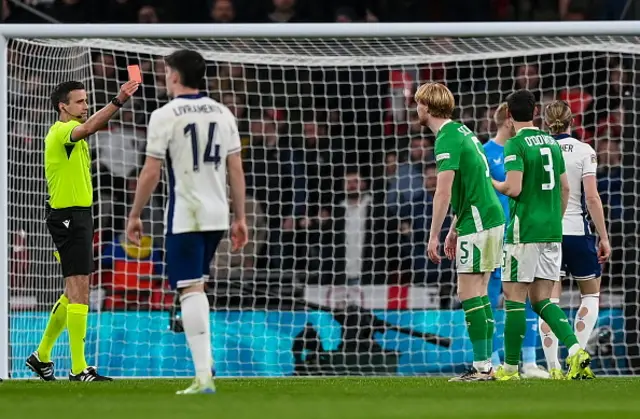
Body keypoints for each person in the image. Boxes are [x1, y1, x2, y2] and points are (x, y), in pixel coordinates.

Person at [126, 49, 248, 394]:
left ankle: (203, 377)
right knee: (198, 285)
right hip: (217, 213)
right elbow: (235, 168)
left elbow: (151, 171)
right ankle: (205, 367)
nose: (165, 78)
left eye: (166, 73)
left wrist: (134, 214)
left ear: (175, 76)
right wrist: (240, 217)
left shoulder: (165, 114)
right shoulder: (223, 112)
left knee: (189, 288)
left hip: (187, 213)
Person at [25, 79, 138, 382]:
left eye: (86, 101)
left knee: (73, 290)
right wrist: (119, 100)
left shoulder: (69, 136)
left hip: (76, 216)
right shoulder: (62, 132)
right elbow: (88, 128)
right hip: (68, 217)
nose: (85, 106)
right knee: (80, 291)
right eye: (79, 102)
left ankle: (41, 356)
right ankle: (78, 368)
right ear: (63, 106)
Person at [492, 89, 590, 381]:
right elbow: (566, 189)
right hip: (551, 231)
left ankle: (510, 369)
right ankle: (575, 350)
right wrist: (554, 221)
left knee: (513, 299)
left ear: (508, 115)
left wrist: (491, 181)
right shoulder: (550, 142)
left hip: (524, 233)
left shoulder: (515, 144)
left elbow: (514, 188)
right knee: (542, 301)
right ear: (535, 112)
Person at [416, 82, 505, 382]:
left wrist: (434, 235)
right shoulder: (463, 131)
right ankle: (486, 365)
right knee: (479, 293)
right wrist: (455, 227)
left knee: (467, 292)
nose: (416, 109)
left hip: (479, 222)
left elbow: (443, 192)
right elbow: (471, 186)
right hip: (488, 217)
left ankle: (482, 366)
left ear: (426, 107)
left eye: (418, 104)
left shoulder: (446, 139)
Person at [539, 100, 611, 379]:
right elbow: (592, 197)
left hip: (545, 233)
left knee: (548, 301)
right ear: (573, 120)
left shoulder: (537, 149)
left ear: (546, 121)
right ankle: (576, 360)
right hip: (576, 231)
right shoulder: (584, 150)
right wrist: (603, 237)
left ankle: (553, 368)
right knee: (590, 294)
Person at [484, 103, 548, 379]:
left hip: (523, 234)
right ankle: (494, 360)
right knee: (488, 297)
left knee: (525, 297)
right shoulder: (485, 153)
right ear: (509, 121)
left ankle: (530, 363)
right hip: (493, 235)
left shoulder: (523, 149)